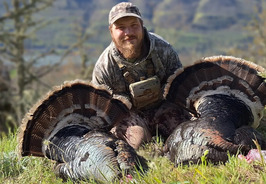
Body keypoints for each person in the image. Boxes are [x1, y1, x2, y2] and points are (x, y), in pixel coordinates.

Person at [92, 2, 185, 149]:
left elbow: (181, 88)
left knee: (183, 136)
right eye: (121, 28)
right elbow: (101, 113)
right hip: (129, 117)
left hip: (163, 108)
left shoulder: (163, 49)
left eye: (134, 25)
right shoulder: (104, 67)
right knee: (138, 144)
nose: (128, 32)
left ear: (142, 25)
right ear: (111, 31)